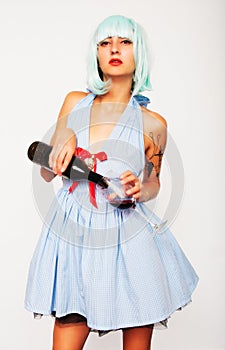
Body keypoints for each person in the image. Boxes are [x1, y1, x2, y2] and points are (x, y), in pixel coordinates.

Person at [25, 15, 199, 350]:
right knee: (69, 326)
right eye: (105, 43)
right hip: (74, 235)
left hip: (129, 240)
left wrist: (139, 187)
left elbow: (153, 185)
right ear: (97, 55)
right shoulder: (74, 102)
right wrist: (56, 157)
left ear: (140, 53)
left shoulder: (154, 123)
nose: (114, 49)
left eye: (124, 42)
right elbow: (49, 173)